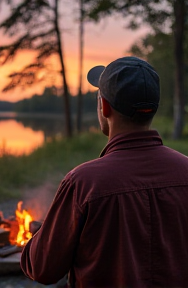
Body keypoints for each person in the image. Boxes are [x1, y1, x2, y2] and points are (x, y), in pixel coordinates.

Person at [20, 56, 188, 287]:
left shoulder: (83, 183)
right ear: (152, 110)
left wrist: (43, 234)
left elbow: (41, 269)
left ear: (104, 106)